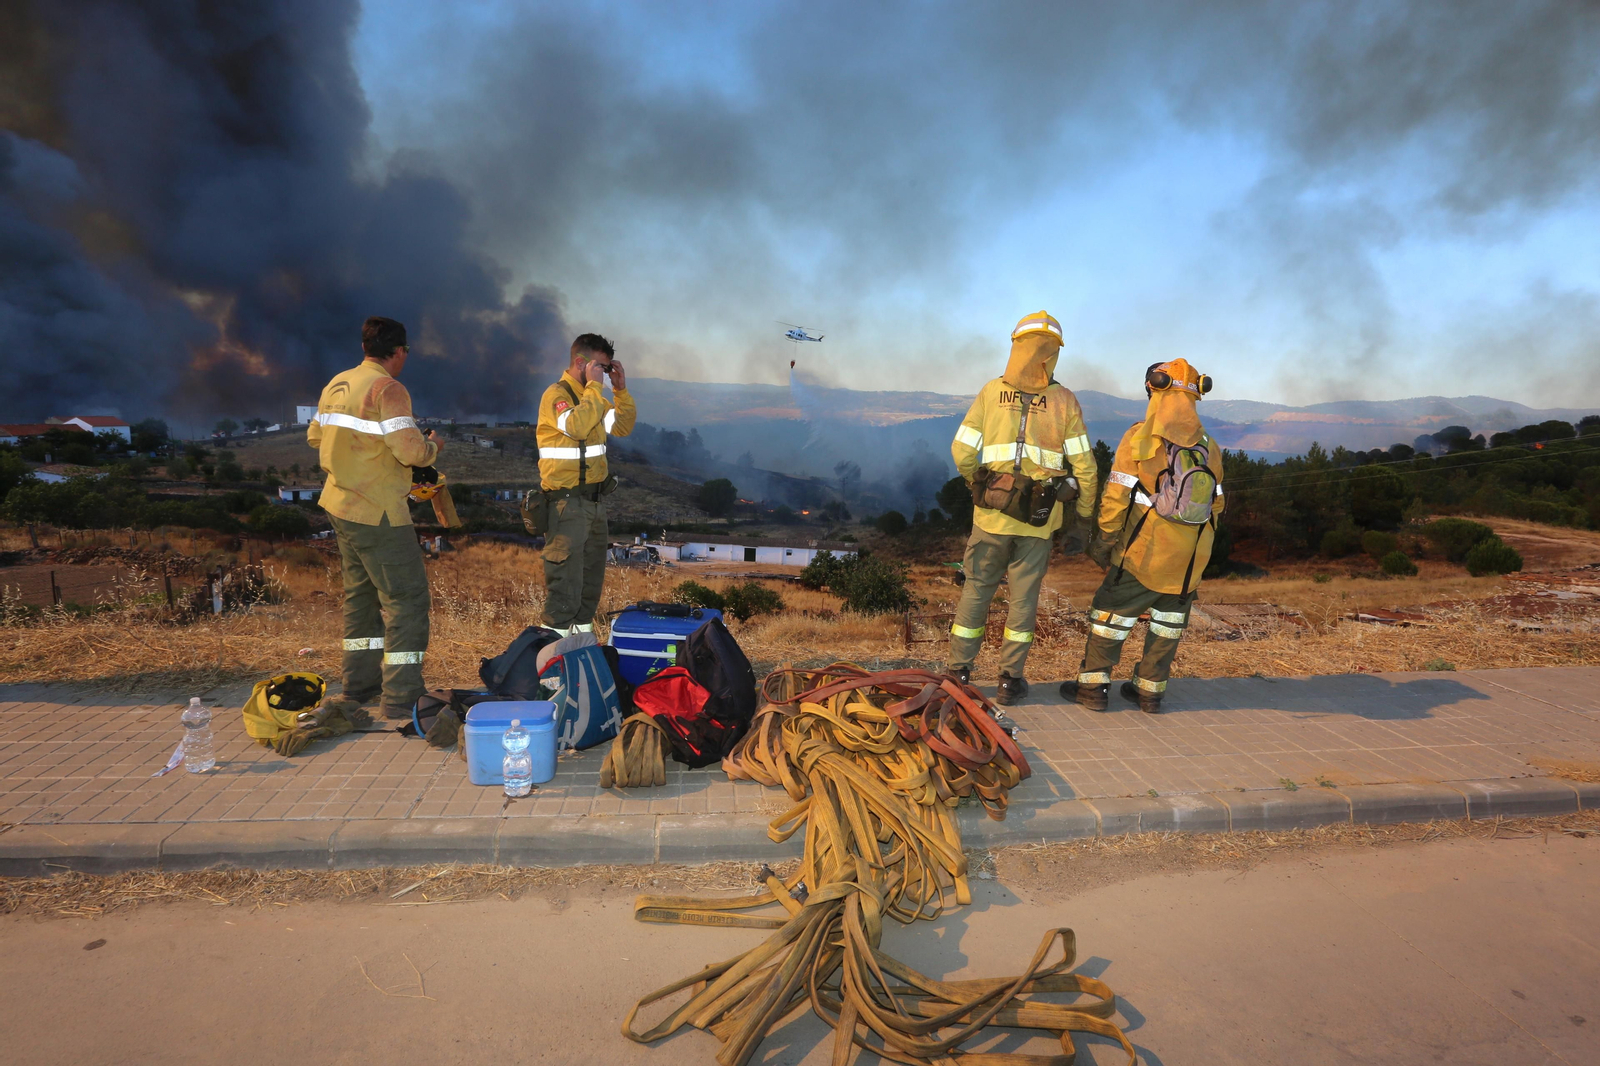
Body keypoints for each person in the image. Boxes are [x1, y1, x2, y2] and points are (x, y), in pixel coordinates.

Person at [947, 311, 1099, 705]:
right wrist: (1082, 517)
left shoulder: (990, 392)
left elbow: (962, 450)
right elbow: (1085, 467)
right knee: (1024, 600)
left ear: (1015, 346)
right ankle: (1009, 682)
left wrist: (977, 485)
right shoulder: (1065, 401)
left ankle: (958, 673)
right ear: (1053, 355)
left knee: (977, 591)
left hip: (991, 517)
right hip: (1038, 523)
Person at [1060, 358, 1225, 714]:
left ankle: (1093, 687)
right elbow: (1218, 504)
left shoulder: (1139, 437)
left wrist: (1103, 543)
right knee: (1167, 626)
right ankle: (1149, 693)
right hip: (1188, 563)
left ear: (1154, 387)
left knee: (1109, 615)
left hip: (1143, 554)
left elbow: (1117, 497)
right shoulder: (1210, 446)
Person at [308, 316, 442, 719]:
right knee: (406, 599)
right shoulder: (388, 387)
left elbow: (316, 436)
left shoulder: (338, 383)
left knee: (361, 598)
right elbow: (411, 452)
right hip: (378, 510)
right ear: (399, 351)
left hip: (339, 505)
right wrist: (432, 446)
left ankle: (359, 686)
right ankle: (401, 696)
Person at [535, 333, 636, 635]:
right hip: (566, 506)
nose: (604, 375)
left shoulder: (594, 399)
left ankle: (578, 654)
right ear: (581, 362)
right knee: (565, 590)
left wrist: (620, 391)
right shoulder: (556, 395)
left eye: (606, 370)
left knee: (589, 589)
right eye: (600, 368)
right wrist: (595, 388)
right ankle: (549, 668)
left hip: (594, 505)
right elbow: (577, 427)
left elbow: (622, 426)